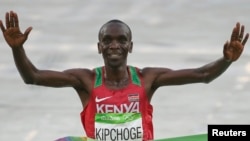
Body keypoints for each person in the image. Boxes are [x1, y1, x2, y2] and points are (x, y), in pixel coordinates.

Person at [0, 10, 249, 141]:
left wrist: (226, 60)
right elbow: (32, 76)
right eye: (107, 40)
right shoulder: (86, 80)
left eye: (122, 40)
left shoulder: (147, 79)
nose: (114, 45)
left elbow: (202, 74)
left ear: (131, 46)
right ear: (99, 47)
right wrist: (17, 48)